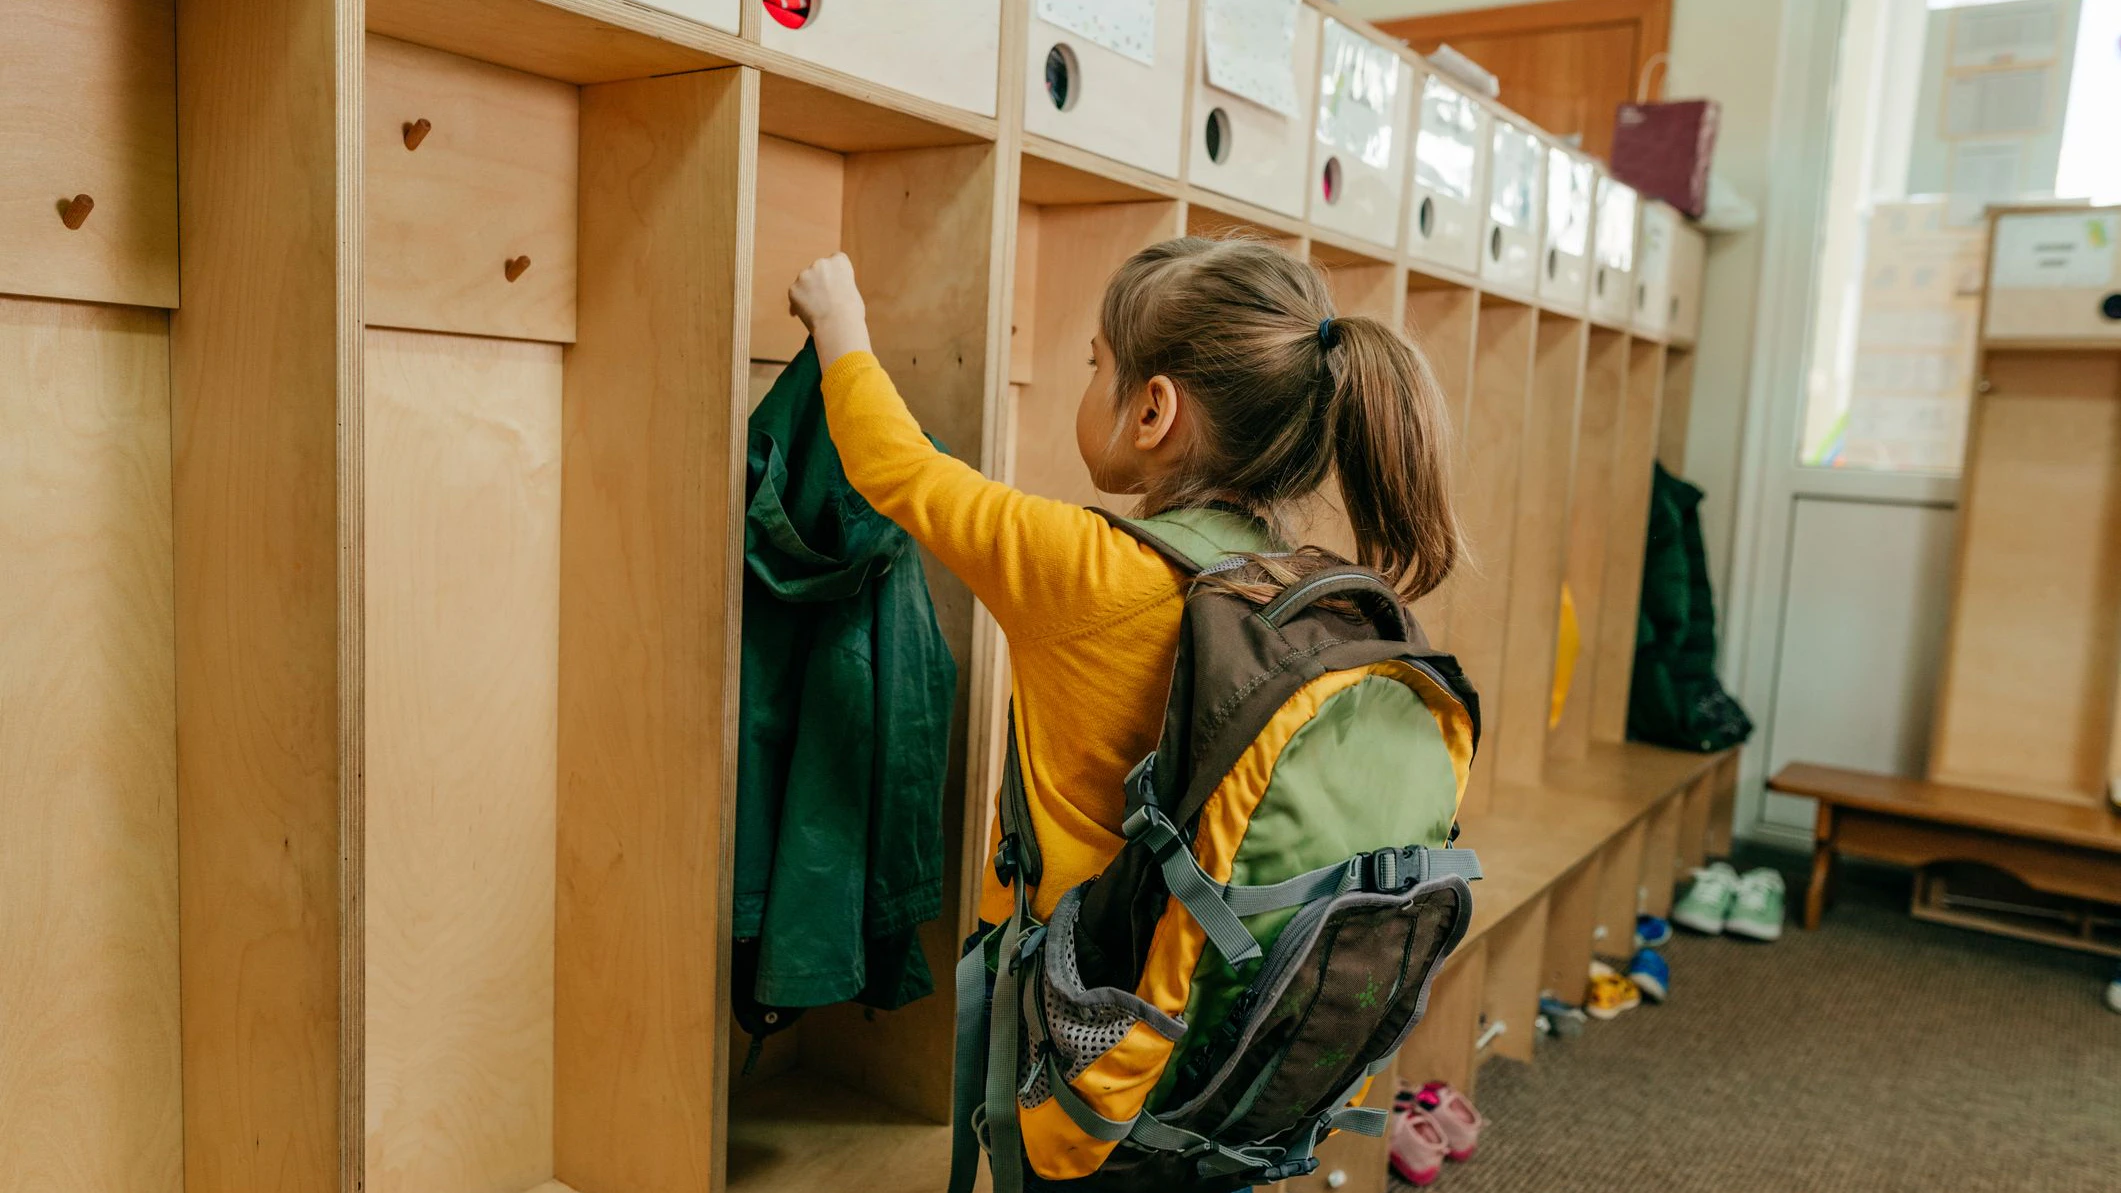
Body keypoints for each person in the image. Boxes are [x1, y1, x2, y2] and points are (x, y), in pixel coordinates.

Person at [786, 235, 1462, 928]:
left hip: (1072, 993)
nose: (1088, 375)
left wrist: (838, 321)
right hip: (1205, 992)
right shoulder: (1292, 587)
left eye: (1095, 361)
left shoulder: (1080, 568)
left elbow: (897, 467)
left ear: (1151, 412)